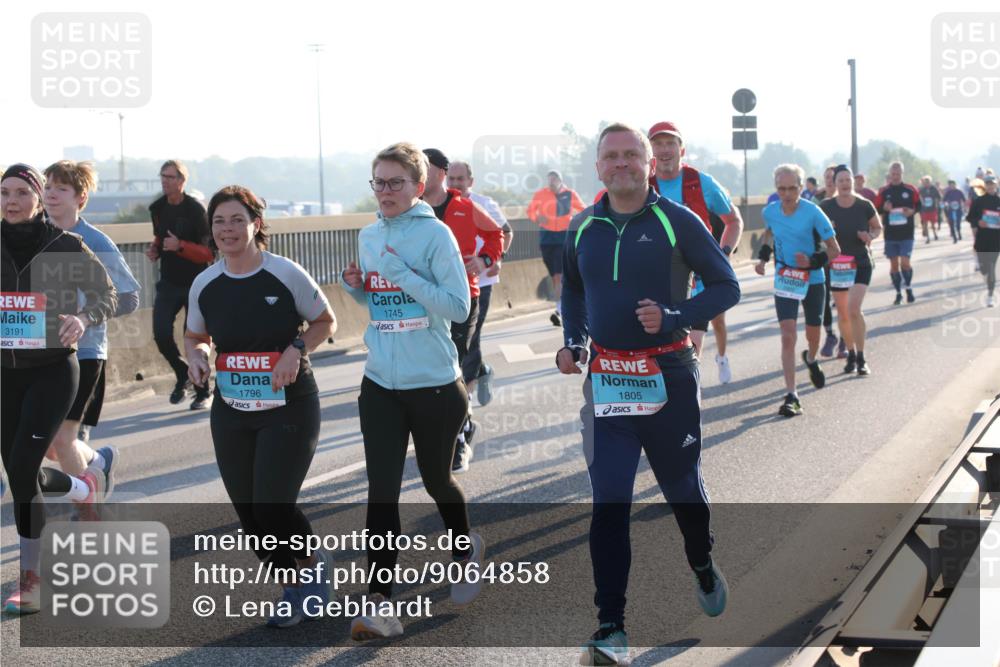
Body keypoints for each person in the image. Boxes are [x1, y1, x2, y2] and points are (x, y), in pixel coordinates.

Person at [558, 124, 740, 665]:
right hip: (608, 384)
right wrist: (573, 341)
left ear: (649, 163)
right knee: (609, 502)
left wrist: (676, 317)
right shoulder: (582, 226)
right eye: (610, 156)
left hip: (669, 377)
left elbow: (726, 284)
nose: (622, 164)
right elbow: (572, 288)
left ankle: (701, 563)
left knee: (683, 492)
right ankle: (610, 626)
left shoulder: (676, 220)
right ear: (597, 167)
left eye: (631, 155)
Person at [341, 143, 485, 640]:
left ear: (418, 187)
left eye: (395, 182)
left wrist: (402, 273)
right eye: (377, 182)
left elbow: (458, 307)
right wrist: (359, 287)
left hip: (435, 385)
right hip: (380, 381)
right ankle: (379, 601)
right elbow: (380, 303)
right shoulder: (368, 234)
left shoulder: (435, 235)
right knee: (381, 492)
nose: (384, 192)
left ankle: (464, 550)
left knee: (435, 480)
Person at [184, 185, 336, 628]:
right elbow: (196, 336)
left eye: (236, 220)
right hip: (232, 407)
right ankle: (293, 584)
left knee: (272, 505)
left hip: (288, 404)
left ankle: (311, 571)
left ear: (256, 224)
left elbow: (326, 321)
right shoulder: (205, 283)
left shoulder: (285, 273)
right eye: (219, 222)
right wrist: (198, 357)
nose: (227, 230)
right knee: (249, 511)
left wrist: (295, 348)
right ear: (210, 230)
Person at [2, 164, 117, 614]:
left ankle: (32, 579)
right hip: (4, 373)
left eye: (20, 193)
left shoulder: (65, 245)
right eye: (3, 192)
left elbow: (108, 295)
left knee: (25, 463)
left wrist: (83, 318)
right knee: (18, 472)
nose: (10, 201)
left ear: (37, 199)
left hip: (52, 370)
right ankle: (82, 488)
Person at [38, 160, 141, 507]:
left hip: (84, 352)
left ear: (80, 197)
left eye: (61, 188)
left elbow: (129, 297)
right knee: (51, 446)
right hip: (37, 351)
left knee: (62, 439)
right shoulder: (31, 236)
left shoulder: (96, 241)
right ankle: (98, 463)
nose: (51, 193)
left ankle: (86, 513)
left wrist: (85, 315)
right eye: (47, 186)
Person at [421, 149, 503, 473]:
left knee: (450, 366)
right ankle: (456, 425)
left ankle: (459, 435)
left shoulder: (465, 207)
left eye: (424, 169)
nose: (418, 175)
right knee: (430, 371)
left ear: (440, 173)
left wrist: (483, 260)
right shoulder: (410, 210)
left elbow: (496, 234)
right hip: (424, 301)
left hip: (462, 298)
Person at [646, 121, 744, 384]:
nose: (665, 150)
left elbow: (734, 221)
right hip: (660, 277)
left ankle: (717, 361)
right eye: (658, 144)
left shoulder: (701, 182)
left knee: (695, 345)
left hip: (699, 276)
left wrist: (722, 254)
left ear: (682, 150)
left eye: (671, 144)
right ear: (649, 151)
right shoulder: (643, 184)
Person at [755, 164, 841, 417]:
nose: (787, 193)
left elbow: (834, 249)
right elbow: (769, 235)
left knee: (813, 336)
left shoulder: (814, 212)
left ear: (801, 188)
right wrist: (762, 259)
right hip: (785, 278)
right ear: (776, 189)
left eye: (793, 188)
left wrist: (813, 261)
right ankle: (791, 394)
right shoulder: (770, 211)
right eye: (782, 188)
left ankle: (812, 359)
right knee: (788, 335)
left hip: (813, 279)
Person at [146, 160, 214, 409]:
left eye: (171, 177)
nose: (165, 181)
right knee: (161, 334)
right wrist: (155, 249)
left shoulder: (196, 210)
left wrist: (181, 246)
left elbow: (209, 253)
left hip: (196, 283)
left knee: (194, 340)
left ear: (182, 181)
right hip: (169, 282)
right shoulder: (158, 208)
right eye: (162, 176)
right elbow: (158, 236)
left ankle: (203, 391)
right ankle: (183, 372)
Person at [447, 160, 514, 406]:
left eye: (460, 179)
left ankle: (466, 396)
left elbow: (505, 232)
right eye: (450, 179)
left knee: (470, 336)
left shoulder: (484, 204)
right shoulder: (441, 206)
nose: (455, 184)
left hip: (481, 281)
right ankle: (481, 370)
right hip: (450, 282)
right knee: (454, 337)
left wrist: (495, 259)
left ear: (470, 182)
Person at [819, 165, 882, 375]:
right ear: (835, 184)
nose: (845, 184)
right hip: (837, 266)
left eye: (848, 180)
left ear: (853, 182)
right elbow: (815, 233)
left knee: (854, 309)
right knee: (844, 313)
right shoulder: (826, 206)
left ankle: (862, 358)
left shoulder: (864, 205)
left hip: (861, 263)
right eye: (841, 181)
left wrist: (870, 237)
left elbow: (877, 227)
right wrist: (827, 232)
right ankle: (851, 352)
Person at [527, 170, 585, 327]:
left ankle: (559, 311)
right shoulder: (541, 194)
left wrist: (574, 222)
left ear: (560, 180)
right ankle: (563, 308)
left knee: (559, 275)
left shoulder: (569, 194)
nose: (551, 182)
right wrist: (536, 217)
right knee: (555, 276)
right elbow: (530, 211)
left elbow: (583, 210)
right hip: (546, 239)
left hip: (563, 237)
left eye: (554, 180)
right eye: (549, 180)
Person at [875, 161, 921, 305]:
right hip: (890, 234)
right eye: (893, 174)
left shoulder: (910, 189)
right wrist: (884, 208)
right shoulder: (883, 191)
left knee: (905, 263)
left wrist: (912, 211)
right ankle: (898, 293)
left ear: (902, 173)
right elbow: (876, 210)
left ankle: (908, 288)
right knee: (894, 265)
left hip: (907, 233)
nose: (895, 176)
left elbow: (919, 205)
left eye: (898, 173)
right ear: (890, 174)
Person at [966, 174, 999, 308]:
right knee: (984, 269)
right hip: (982, 239)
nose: (990, 186)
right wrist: (978, 222)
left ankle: (990, 296)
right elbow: (970, 217)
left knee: (991, 268)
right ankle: (987, 279)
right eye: (988, 184)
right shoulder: (979, 201)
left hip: (996, 240)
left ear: (996, 185)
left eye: (992, 183)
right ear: (985, 186)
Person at [918, 176, 942, 243]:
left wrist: (937, 203)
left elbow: (939, 197)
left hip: (932, 208)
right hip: (924, 209)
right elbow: (918, 196)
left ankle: (935, 234)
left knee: (933, 224)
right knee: (925, 224)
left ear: (930, 182)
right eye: (925, 182)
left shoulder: (934, 189)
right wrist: (921, 202)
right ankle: (928, 238)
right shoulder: (921, 189)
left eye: (928, 182)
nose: (927, 183)